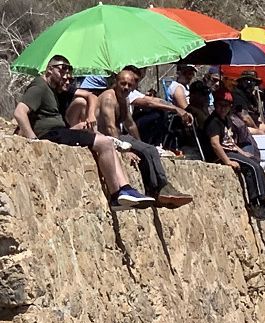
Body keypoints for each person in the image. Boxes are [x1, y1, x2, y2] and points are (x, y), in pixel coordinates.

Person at [13, 55, 153, 209]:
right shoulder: (39, 87)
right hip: (50, 133)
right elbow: (20, 112)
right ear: (49, 70)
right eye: (61, 70)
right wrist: (33, 140)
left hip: (60, 130)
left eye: (69, 72)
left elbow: (90, 95)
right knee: (104, 143)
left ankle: (126, 188)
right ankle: (116, 195)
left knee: (103, 138)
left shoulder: (56, 88)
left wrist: (90, 115)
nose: (66, 75)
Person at [96, 67, 192, 208]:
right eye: (123, 84)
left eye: (129, 85)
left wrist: (139, 143)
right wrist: (123, 151)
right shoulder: (109, 98)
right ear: (116, 82)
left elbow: (130, 124)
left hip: (120, 136)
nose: (126, 87)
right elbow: (110, 127)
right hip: (108, 137)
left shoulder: (124, 98)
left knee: (150, 149)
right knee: (147, 151)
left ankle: (163, 187)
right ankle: (156, 190)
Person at [201, 90, 265, 219]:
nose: (223, 108)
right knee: (252, 167)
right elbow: (215, 144)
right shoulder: (213, 122)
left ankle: (264, 202)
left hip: (230, 150)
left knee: (255, 164)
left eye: (226, 105)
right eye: (220, 105)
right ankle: (255, 204)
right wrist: (227, 161)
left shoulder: (226, 120)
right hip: (220, 154)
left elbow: (230, 141)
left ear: (230, 107)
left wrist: (242, 152)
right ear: (215, 105)